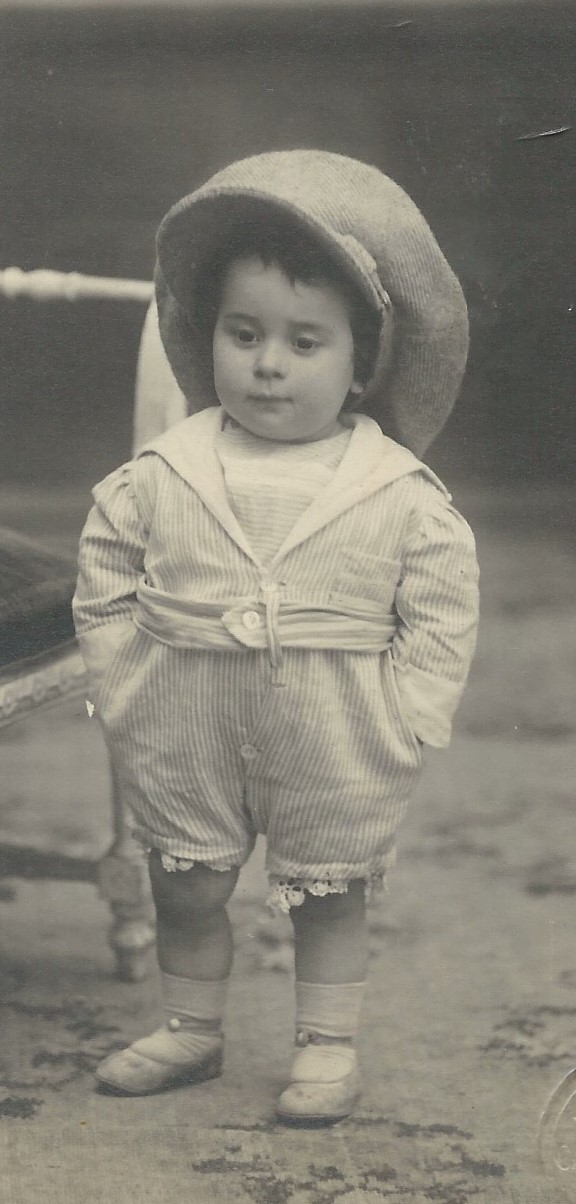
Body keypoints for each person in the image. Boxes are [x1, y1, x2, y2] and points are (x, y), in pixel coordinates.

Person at [72, 150, 479, 1122]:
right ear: (207, 334)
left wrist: (410, 715)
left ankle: (327, 1046)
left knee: (331, 892)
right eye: (244, 333)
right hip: (186, 716)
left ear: (360, 364)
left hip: (338, 725)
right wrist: (125, 684)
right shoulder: (166, 470)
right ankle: (191, 1027)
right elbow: (105, 574)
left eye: (305, 342)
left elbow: (442, 599)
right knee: (185, 882)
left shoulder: (394, 489)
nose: (267, 363)